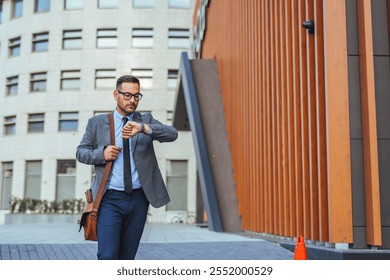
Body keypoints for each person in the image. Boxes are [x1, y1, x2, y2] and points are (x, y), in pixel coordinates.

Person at [76, 75, 178, 259]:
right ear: (116, 94)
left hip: (139, 199)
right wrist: (102, 153)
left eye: (137, 96)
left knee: (127, 257)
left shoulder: (145, 119)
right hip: (109, 200)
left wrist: (144, 128)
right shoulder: (97, 123)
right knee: (107, 256)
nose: (132, 100)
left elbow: (172, 134)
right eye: (128, 95)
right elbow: (81, 152)